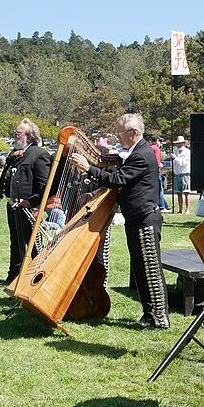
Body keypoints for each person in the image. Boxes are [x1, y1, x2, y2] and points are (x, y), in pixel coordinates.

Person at [70, 113, 169, 330]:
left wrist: (89, 168)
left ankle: (160, 319)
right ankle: (149, 313)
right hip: (136, 218)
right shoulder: (136, 153)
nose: (117, 136)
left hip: (145, 219)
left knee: (151, 270)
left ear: (134, 133)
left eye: (120, 133)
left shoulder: (141, 154)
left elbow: (118, 179)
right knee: (140, 270)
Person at [0, 118, 51, 285]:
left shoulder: (39, 154)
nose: (15, 136)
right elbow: (5, 175)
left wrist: (33, 205)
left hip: (29, 209)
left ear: (30, 136)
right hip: (13, 206)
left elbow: (44, 186)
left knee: (34, 245)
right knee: (16, 242)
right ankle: (14, 276)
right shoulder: (15, 153)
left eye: (18, 133)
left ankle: (39, 277)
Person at [170, 135, 192, 214]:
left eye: (180, 143)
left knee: (186, 192)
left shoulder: (187, 152)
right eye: (177, 143)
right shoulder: (175, 151)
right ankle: (180, 209)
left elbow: (184, 163)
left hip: (185, 173)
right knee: (178, 192)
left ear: (183, 143)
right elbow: (173, 163)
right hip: (177, 173)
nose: (178, 145)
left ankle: (188, 209)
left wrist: (175, 158)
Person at [149, 136, 169, 211]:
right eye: (159, 141)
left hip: (150, 172)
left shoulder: (149, 148)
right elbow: (157, 162)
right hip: (156, 171)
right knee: (160, 189)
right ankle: (162, 206)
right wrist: (160, 165)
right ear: (156, 141)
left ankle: (164, 204)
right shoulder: (156, 149)